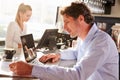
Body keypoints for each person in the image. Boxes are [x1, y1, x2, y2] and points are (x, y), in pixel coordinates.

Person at [9, 2, 119, 80]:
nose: (65, 28)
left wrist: (31, 69)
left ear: (81, 19)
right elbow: (77, 53)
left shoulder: (101, 42)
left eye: (67, 22)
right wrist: (58, 55)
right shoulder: (85, 38)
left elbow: (78, 75)